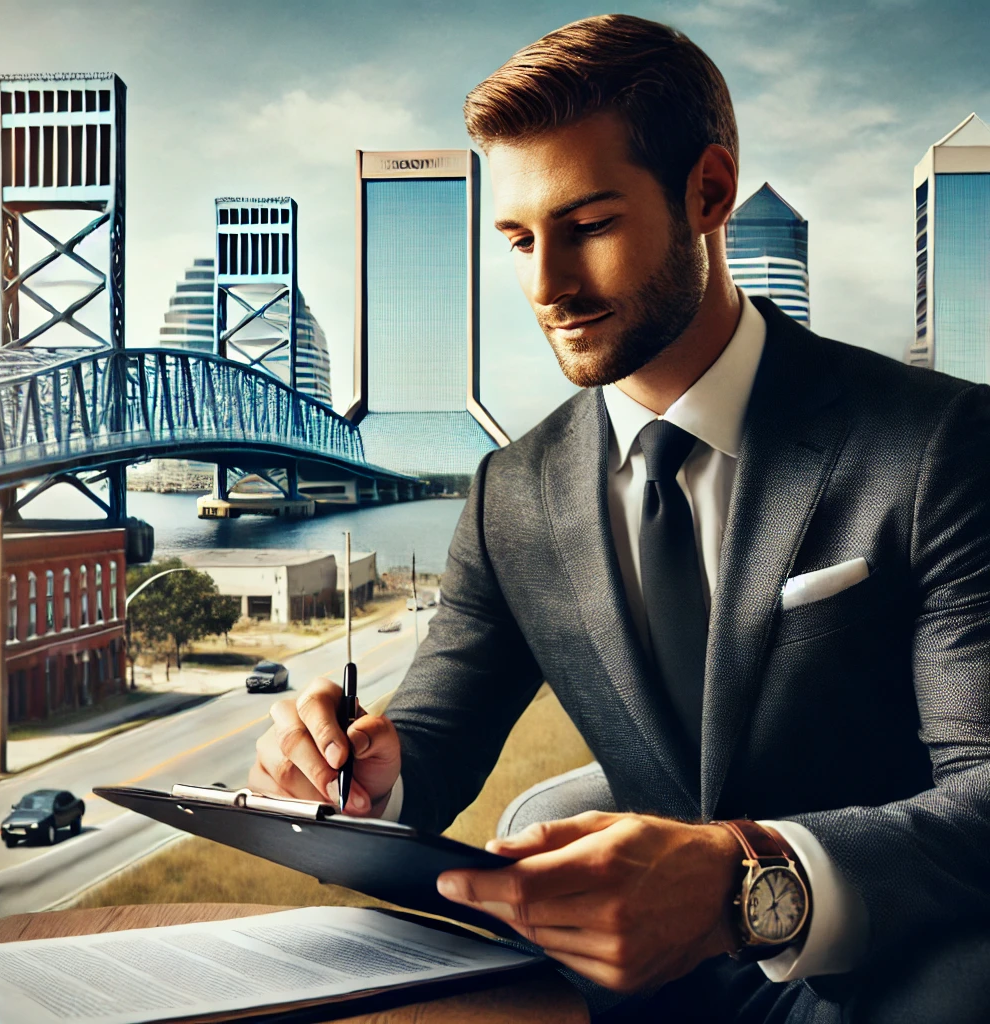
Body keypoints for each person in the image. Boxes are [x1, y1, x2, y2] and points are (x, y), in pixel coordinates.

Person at [249, 14, 990, 1023]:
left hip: (895, 974)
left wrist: (746, 881)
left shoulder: (938, 442)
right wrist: (356, 779)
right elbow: (430, 738)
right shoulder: (512, 487)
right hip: (623, 993)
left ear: (709, 193)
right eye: (517, 240)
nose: (547, 286)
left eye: (588, 225)